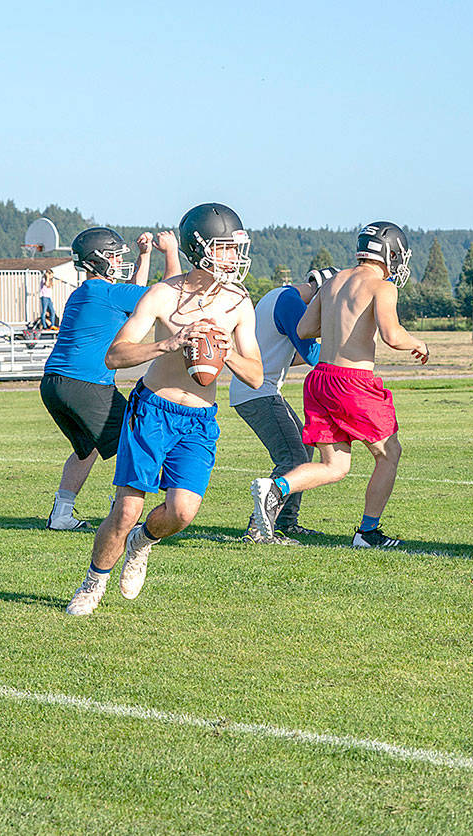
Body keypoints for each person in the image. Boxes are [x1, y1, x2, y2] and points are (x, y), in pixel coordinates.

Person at [65, 203, 263, 615]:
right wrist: (168, 344)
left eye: (235, 249)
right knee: (126, 510)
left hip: (199, 420)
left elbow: (257, 375)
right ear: (199, 247)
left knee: (182, 512)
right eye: (225, 248)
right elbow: (115, 355)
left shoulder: (239, 302)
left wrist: (224, 354)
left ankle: (143, 541)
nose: (234, 258)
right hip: (152, 410)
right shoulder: (162, 295)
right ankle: (93, 582)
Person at [250, 222, 428, 549]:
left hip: (319, 380)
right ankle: (367, 532)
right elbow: (391, 334)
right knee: (389, 453)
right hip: (353, 382)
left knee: (335, 466)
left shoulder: (332, 281)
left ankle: (275, 489)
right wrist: (418, 342)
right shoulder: (382, 286)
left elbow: (304, 328)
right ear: (389, 253)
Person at [40, 227, 178, 531]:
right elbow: (166, 293)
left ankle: (62, 513)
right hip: (85, 383)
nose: (118, 262)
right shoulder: (107, 292)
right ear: (99, 259)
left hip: (53, 384)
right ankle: (124, 513)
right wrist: (169, 251)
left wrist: (144, 257)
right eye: (114, 256)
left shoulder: (88, 292)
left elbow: (133, 301)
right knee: (137, 438)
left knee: (86, 449)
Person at [232, 267, 332, 544]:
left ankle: (286, 522)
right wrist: (350, 349)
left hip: (255, 391)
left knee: (304, 447)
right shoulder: (291, 302)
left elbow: (288, 356)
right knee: (293, 459)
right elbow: (313, 354)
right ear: (321, 293)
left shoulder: (281, 297)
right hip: (259, 392)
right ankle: (257, 529)